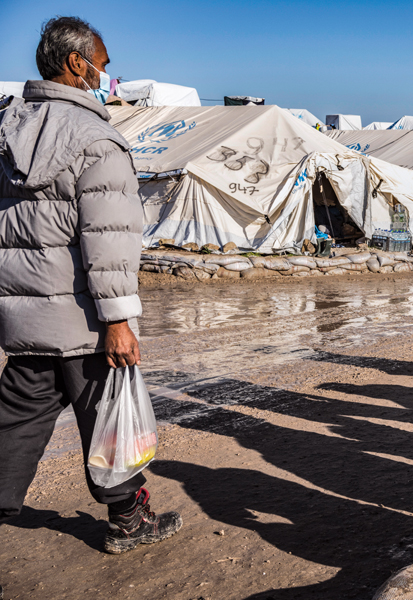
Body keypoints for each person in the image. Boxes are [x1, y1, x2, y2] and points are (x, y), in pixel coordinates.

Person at [0, 17, 182, 555]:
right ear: (77, 64)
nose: (107, 74)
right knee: (107, 419)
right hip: (83, 319)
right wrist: (118, 321)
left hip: (24, 314)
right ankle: (129, 520)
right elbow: (109, 240)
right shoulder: (97, 139)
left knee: (15, 418)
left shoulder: (5, 131)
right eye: (102, 63)